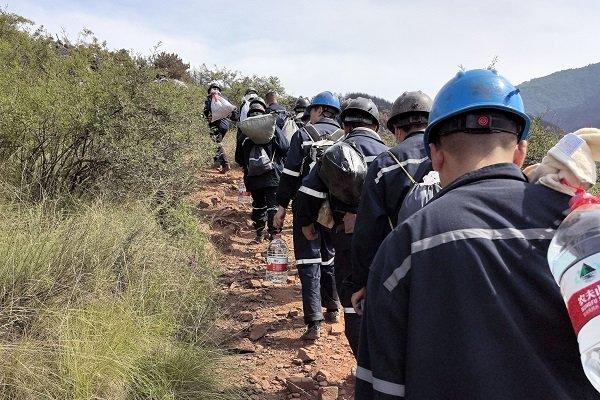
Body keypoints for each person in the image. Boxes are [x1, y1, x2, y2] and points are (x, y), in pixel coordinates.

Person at [355, 69, 600, 399]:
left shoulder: (407, 243)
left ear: (435, 155)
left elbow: (381, 385)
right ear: (520, 152)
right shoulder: (581, 225)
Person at [294, 97, 388, 355]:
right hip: (387, 240)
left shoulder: (337, 151)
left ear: (345, 125)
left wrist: (305, 224)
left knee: (352, 301)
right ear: (376, 126)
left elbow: (307, 193)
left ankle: (364, 363)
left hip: (349, 238)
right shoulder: (390, 155)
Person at [350, 91, 432, 313]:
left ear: (397, 130)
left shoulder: (386, 162)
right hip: (444, 263)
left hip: (397, 268)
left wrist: (362, 280)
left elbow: (368, 228)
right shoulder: (448, 155)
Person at [273, 91, 344, 340]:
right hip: (336, 209)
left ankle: (314, 321)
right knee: (331, 256)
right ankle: (333, 307)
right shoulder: (345, 137)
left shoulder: (303, 135)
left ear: (318, 110)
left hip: (307, 205)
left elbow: (290, 174)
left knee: (307, 260)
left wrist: (281, 206)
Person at [235, 97, 290, 242]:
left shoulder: (244, 131)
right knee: (273, 206)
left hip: (253, 178)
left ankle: (259, 234)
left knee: (258, 205)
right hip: (273, 176)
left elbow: (238, 158)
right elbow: (285, 148)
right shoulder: (272, 127)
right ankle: (274, 237)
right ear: (264, 111)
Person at [203, 82, 233, 172]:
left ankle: (225, 164)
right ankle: (218, 163)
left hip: (215, 125)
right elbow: (231, 112)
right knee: (216, 143)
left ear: (209, 91)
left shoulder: (209, 99)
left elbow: (206, 111)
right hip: (225, 125)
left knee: (217, 144)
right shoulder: (224, 99)